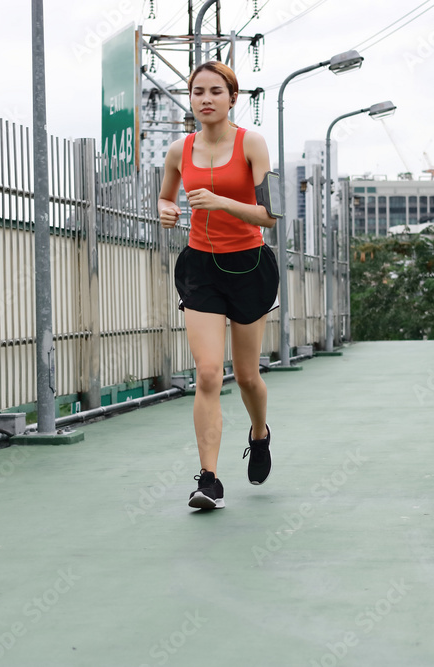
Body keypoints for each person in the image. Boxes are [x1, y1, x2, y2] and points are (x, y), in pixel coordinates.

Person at [157, 61, 279, 510]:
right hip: (200, 268)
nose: (205, 99)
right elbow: (167, 197)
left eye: (215, 91)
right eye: (197, 92)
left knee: (247, 377)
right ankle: (208, 479)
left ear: (232, 98)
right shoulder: (178, 150)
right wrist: (165, 210)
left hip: (249, 267)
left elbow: (270, 215)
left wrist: (223, 202)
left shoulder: (252, 143)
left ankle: (260, 433)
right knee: (208, 372)